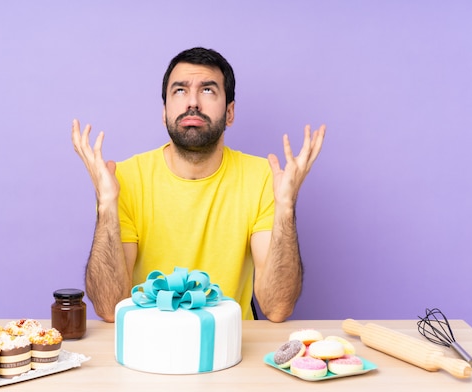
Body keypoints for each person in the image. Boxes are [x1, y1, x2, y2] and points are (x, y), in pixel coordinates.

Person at [71, 47, 325, 323]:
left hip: (233, 348)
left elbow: (277, 308)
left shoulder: (264, 177)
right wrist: (106, 206)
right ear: (164, 111)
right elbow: (110, 308)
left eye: (207, 90)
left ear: (229, 112)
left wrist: (286, 207)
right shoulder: (126, 178)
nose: (192, 102)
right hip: (149, 345)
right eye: (179, 91)